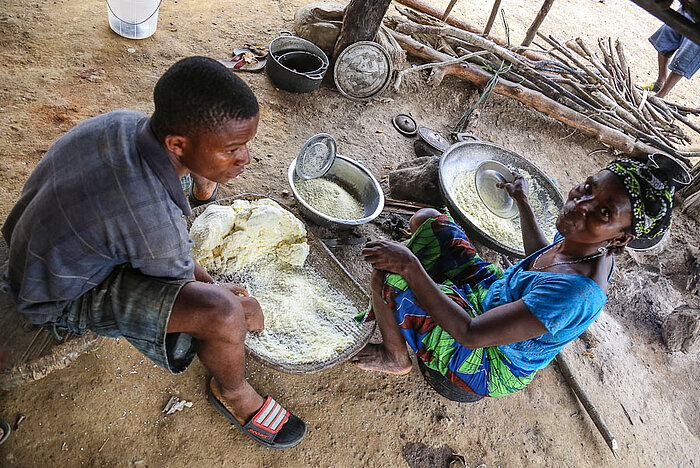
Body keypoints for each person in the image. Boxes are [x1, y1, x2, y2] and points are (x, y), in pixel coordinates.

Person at [0, 56, 306, 449]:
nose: (245, 159)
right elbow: (179, 283)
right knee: (225, 314)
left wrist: (205, 184)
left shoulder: (123, 122)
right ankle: (234, 394)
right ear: (177, 144)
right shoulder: (150, 216)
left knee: (213, 290)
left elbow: (157, 235)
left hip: (43, 245)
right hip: (51, 294)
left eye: (246, 144)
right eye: (232, 149)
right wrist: (229, 303)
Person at [353, 158, 676, 399]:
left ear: (620, 239)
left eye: (604, 212)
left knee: (390, 278)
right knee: (429, 221)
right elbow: (539, 259)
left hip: (489, 358)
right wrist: (522, 202)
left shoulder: (576, 294)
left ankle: (395, 356)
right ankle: (424, 301)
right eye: (588, 188)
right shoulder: (587, 244)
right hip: (491, 296)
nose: (580, 204)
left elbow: (471, 333)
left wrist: (410, 266)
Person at [641, 6, 700, 99]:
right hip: (693, 8)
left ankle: (660, 96)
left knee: (689, 52)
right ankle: (660, 82)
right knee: (667, 33)